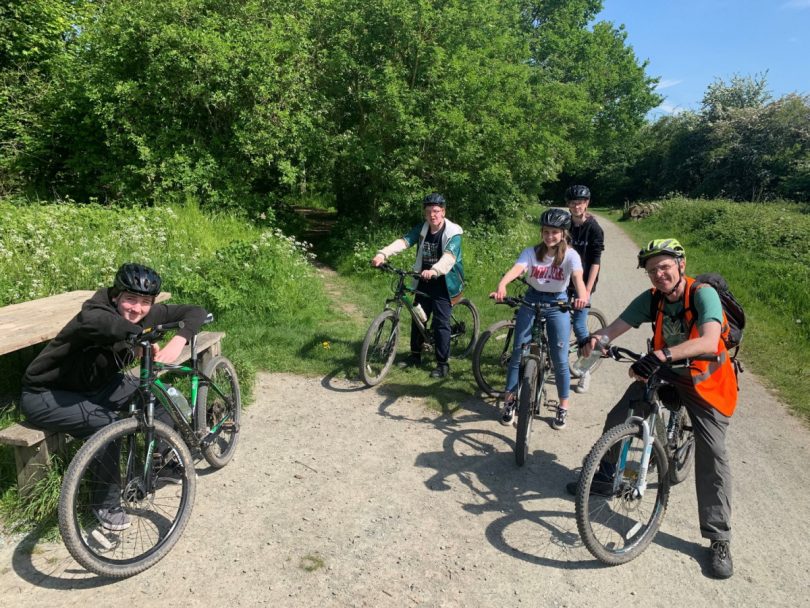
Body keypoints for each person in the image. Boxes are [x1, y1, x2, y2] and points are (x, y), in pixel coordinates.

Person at [566, 239, 738, 579]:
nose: (659, 275)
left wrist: (660, 356)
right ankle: (603, 476)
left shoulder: (702, 294)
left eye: (664, 267)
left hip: (707, 382)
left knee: (713, 452)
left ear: (681, 265)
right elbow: (613, 329)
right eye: (652, 270)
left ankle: (719, 537)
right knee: (621, 414)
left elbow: (707, 341)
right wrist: (596, 341)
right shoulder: (652, 300)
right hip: (667, 371)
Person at [20, 263, 208, 531]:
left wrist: (180, 339)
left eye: (145, 302)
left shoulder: (146, 314)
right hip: (45, 394)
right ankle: (105, 503)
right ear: (115, 296)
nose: (137, 309)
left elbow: (196, 311)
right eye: (130, 299)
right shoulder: (95, 312)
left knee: (161, 394)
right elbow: (104, 324)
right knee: (108, 425)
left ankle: (161, 462)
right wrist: (140, 338)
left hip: (99, 387)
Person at [490, 208, 587, 430]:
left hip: (557, 302)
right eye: (546, 232)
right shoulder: (532, 252)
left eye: (554, 232)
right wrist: (502, 284)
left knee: (560, 358)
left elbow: (578, 278)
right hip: (531, 299)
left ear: (563, 233)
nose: (549, 236)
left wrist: (581, 297)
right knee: (518, 353)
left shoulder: (571, 255)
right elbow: (518, 268)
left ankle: (563, 406)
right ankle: (510, 402)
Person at [371, 193, 465, 378]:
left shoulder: (453, 232)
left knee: (440, 322)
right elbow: (404, 241)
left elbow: (449, 258)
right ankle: (415, 356)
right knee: (417, 317)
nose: (433, 215)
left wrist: (435, 270)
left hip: (444, 281)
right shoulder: (423, 228)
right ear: (424, 213)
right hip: (423, 278)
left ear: (443, 212)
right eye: (429, 211)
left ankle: (443, 364)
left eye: (436, 211)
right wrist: (383, 254)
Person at [565, 184, 605, 394]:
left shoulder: (594, 228)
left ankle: (585, 371)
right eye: (572, 203)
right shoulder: (566, 224)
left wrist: (586, 291)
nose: (576, 206)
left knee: (580, 326)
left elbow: (595, 262)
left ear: (586, 203)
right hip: (564, 281)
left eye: (579, 202)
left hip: (584, 283)